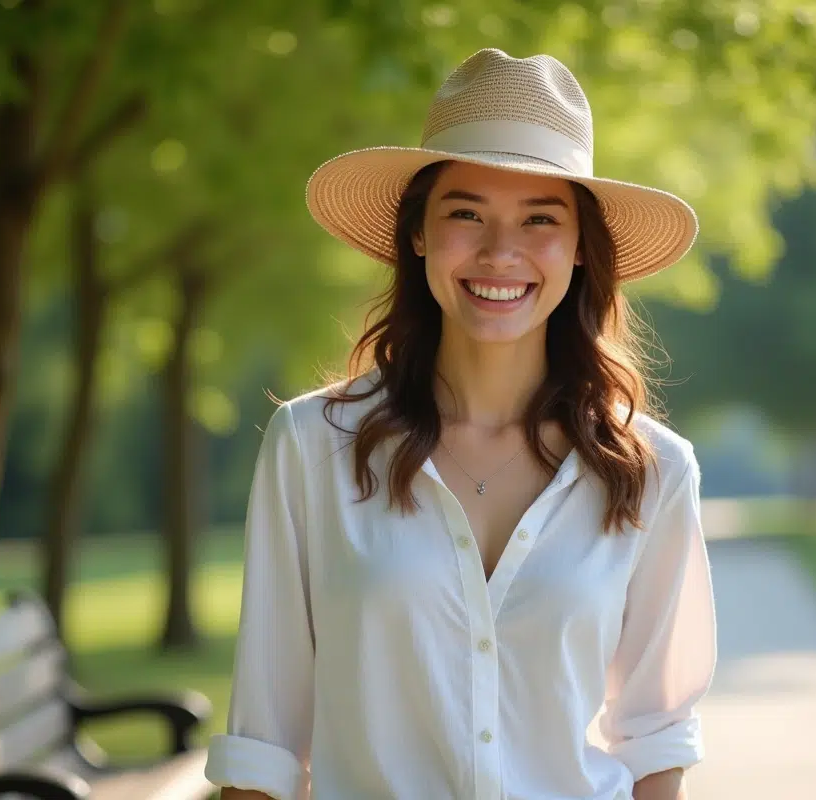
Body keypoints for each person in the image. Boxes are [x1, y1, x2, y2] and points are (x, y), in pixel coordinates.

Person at [204, 48, 717, 800]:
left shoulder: (654, 472)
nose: (499, 251)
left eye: (540, 219)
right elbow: (265, 744)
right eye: (465, 213)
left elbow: (655, 737)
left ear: (580, 250)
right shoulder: (312, 447)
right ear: (418, 234)